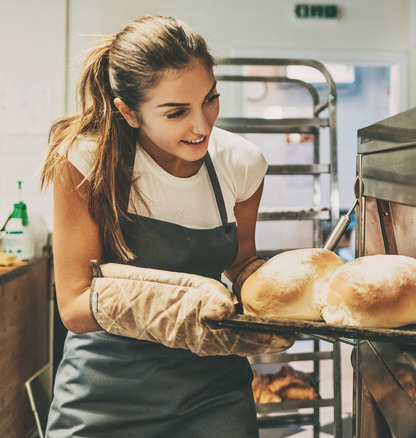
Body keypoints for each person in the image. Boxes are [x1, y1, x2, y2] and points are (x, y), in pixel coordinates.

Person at [39, 15, 293, 437]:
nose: (203, 125)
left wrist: (287, 296)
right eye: (176, 112)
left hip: (213, 390)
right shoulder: (86, 161)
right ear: (129, 112)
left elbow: (241, 262)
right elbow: (74, 306)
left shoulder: (241, 163)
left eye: (210, 99)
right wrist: (179, 309)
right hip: (106, 390)